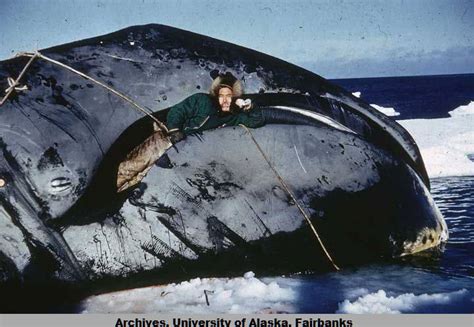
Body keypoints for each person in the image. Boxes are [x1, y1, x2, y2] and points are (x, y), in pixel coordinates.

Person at [166, 72, 265, 143]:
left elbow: (256, 122)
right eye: (221, 96)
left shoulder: (233, 116)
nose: (225, 100)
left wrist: (251, 107)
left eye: (229, 96)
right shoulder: (202, 101)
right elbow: (178, 111)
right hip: (174, 138)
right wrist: (175, 130)